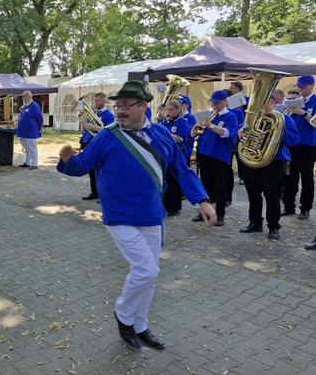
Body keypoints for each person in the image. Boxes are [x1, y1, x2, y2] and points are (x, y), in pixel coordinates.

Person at [57, 81, 216, 350]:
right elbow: (82, 165)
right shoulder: (107, 136)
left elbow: (182, 169)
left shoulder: (161, 134)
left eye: (126, 106)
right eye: (117, 106)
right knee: (146, 270)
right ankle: (123, 316)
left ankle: (140, 325)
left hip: (152, 214)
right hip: (119, 216)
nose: (119, 111)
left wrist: (202, 200)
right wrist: (66, 159)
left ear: (143, 106)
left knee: (149, 275)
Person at [239, 96, 299, 240]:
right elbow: (241, 134)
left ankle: (273, 227)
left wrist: (279, 130)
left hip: (274, 162)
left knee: (272, 196)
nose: (259, 105)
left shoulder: (284, 118)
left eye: (263, 101)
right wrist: (240, 133)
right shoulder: (253, 118)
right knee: (253, 194)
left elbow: (294, 140)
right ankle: (255, 223)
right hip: (252, 160)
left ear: (272, 102)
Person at [190, 90, 238, 227]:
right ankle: (205, 212)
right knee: (205, 185)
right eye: (213, 102)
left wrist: (210, 125)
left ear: (225, 102)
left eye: (217, 103)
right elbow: (193, 133)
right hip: (205, 153)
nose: (214, 105)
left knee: (220, 187)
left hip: (220, 155)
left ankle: (220, 214)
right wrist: (198, 125)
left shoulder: (231, 116)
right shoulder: (208, 114)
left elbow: (227, 133)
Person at [282, 75, 316, 219]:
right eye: (299, 86)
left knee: (307, 178)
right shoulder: (296, 99)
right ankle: (289, 206)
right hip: (292, 144)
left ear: (312, 85)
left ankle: (305, 208)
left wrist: (302, 113)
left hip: (308, 145)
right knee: (290, 177)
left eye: (303, 86)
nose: (300, 89)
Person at [78, 92, 115, 200]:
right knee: (91, 171)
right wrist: (84, 125)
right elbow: (85, 129)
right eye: (95, 100)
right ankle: (94, 192)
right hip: (89, 143)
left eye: (98, 101)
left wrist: (93, 127)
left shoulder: (109, 115)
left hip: (100, 145)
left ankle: (104, 195)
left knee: (101, 171)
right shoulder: (93, 112)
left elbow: (109, 130)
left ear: (104, 101)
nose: (95, 103)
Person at [161, 99, 192, 216]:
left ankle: (174, 207)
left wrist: (165, 132)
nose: (169, 112)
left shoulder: (182, 122)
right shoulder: (165, 121)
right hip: (165, 154)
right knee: (166, 179)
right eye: (167, 110)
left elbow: (180, 138)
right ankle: (165, 204)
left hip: (177, 154)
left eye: (171, 110)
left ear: (178, 110)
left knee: (174, 181)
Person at [16, 90, 43, 169]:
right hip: (23, 132)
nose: (22, 98)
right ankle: (27, 162)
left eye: (23, 96)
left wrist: (39, 128)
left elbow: (40, 118)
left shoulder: (34, 106)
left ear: (28, 96)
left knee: (32, 148)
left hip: (31, 131)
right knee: (26, 148)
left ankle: (34, 164)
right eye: (22, 96)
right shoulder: (24, 106)